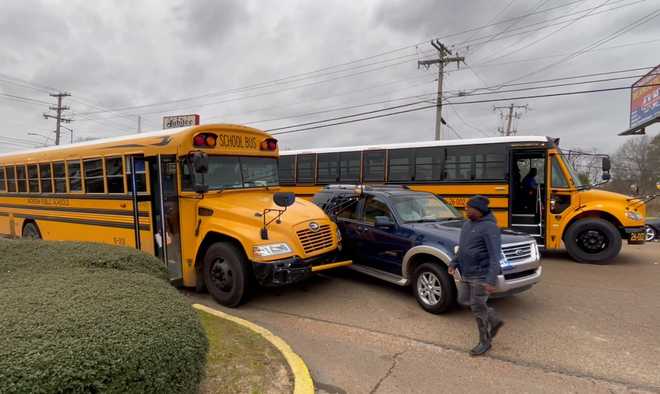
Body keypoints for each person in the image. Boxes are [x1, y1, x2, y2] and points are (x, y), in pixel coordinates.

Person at [448, 195, 504, 356]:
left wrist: (490, 280)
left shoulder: (490, 228)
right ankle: (494, 319)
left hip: (481, 275)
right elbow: (463, 248)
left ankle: (485, 342)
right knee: (463, 300)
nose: (466, 210)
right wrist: (453, 263)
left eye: (469, 208)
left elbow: (495, 256)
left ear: (479, 210)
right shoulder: (467, 225)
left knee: (478, 307)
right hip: (466, 272)